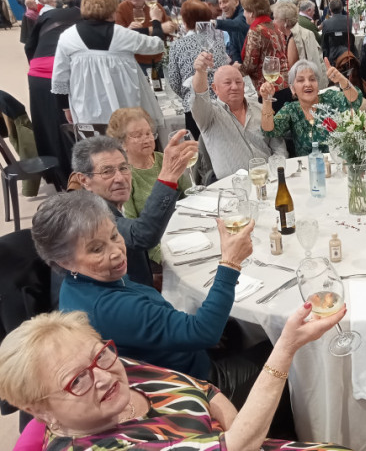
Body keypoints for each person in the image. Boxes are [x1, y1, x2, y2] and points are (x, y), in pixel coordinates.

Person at [29, 189, 295, 435]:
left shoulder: (78, 284)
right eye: (96, 249)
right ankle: (282, 431)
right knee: (289, 354)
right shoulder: (107, 307)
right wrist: (230, 263)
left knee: (236, 327)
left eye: (113, 235)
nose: (116, 252)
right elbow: (204, 332)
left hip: (175, 358)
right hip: (192, 385)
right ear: (64, 261)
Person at [0, 309, 347, 449]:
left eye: (100, 355)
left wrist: (244, 434)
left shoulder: (108, 367)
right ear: (39, 410)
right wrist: (285, 349)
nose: (103, 377)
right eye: (77, 381)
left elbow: (204, 388)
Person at [69, 134, 196, 288]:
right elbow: (142, 235)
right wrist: (168, 177)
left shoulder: (110, 202)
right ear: (84, 180)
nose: (120, 178)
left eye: (123, 168)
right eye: (107, 172)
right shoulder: (91, 214)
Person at [51, 0, 166, 126]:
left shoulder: (68, 36)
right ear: (113, 11)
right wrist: (156, 21)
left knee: (96, 144)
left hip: (87, 105)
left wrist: (66, 108)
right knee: (127, 139)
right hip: (125, 102)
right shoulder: (122, 34)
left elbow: (60, 78)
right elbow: (157, 45)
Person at [106, 108, 192, 266]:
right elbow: (135, 231)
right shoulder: (124, 177)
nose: (146, 139)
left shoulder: (163, 160)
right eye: (137, 135)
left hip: (187, 232)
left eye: (148, 133)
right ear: (122, 143)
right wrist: (163, 259)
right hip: (156, 247)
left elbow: (190, 197)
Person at [192, 56, 287, 179]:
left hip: (270, 179)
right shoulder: (209, 116)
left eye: (238, 82)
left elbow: (278, 145)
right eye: (227, 83)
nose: (235, 87)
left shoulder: (260, 108)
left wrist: (276, 171)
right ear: (215, 88)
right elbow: (199, 97)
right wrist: (200, 72)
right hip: (234, 187)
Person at [24, 0, 80, 183]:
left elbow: (29, 46)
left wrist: (36, 66)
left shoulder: (50, 15)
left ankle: (57, 176)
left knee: (49, 126)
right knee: (73, 125)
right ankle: (76, 177)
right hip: (64, 73)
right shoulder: (91, 21)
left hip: (38, 73)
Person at [261, 59, 361, 156]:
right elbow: (269, 131)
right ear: (292, 89)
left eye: (312, 79)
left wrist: (341, 79)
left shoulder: (330, 98)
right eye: (300, 80)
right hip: (307, 169)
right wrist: (267, 99)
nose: (308, 84)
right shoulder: (292, 110)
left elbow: (355, 101)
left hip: (336, 165)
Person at [167, 0, 229, 140]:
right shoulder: (217, 41)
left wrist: (188, 93)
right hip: (220, 103)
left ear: (184, 20)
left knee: (200, 152)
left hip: (194, 106)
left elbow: (175, 82)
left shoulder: (177, 45)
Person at [115, 0, 176, 75]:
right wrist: (128, 30)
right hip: (135, 61)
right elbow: (118, 38)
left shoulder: (156, 7)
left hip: (158, 59)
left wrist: (173, 27)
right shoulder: (121, 9)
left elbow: (168, 31)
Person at [240, 0, 289, 94]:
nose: (243, 14)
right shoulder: (275, 27)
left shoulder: (256, 31)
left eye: (244, 10)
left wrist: (237, 70)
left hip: (267, 88)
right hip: (284, 83)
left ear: (252, 13)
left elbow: (250, 66)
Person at [214, 0, 248, 64]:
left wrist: (215, 23)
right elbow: (234, 46)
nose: (222, 6)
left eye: (225, 1)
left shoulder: (244, 13)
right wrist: (237, 65)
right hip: (244, 67)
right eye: (220, 3)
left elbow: (237, 24)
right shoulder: (230, 17)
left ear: (236, 2)